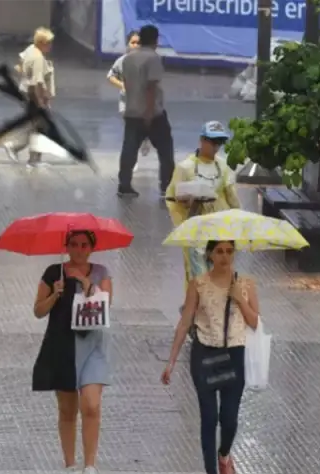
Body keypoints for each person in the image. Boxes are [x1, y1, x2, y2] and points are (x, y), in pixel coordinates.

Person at [161, 241, 259, 474]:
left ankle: (224, 454)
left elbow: (255, 322)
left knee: (229, 419)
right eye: (219, 251)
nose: (225, 257)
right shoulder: (198, 284)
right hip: (204, 353)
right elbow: (185, 323)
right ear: (209, 254)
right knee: (209, 416)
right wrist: (171, 361)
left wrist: (240, 299)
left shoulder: (246, 284)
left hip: (234, 353)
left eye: (229, 251)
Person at [31, 229, 113, 474]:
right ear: (67, 246)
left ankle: (90, 466)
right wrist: (55, 294)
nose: (79, 250)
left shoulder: (101, 273)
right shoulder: (54, 272)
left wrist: (86, 283)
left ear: (92, 248)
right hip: (62, 347)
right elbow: (38, 310)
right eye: (74, 245)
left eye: (84, 245)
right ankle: (70, 465)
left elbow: (105, 305)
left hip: (93, 348)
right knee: (67, 410)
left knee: (91, 405)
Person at [165, 121, 240, 282]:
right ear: (202, 140)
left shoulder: (224, 166)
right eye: (213, 142)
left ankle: (218, 303)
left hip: (221, 227)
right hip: (196, 228)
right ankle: (196, 303)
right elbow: (172, 197)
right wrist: (184, 205)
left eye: (220, 142)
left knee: (220, 269)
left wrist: (238, 221)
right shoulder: (185, 167)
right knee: (197, 272)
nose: (216, 146)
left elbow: (232, 197)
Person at [116, 24, 175, 198]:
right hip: (152, 114)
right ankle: (166, 185)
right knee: (165, 150)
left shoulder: (128, 58)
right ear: (156, 40)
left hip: (131, 110)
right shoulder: (153, 59)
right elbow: (151, 87)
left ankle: (124, 185)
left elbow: (127, 84)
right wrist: (149, 113)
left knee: (129, 150)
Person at [5, 27, 56, 167]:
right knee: (40, 127)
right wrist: (41, 101)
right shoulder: (38, 58)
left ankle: (29, 155)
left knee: (36, 126)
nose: (50, 46)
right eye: (48, 43)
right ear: (41, 43)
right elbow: (38, 82)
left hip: (27, 93)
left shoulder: (30, 49)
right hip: (35, 95)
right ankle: (22, 151)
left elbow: (20, 63)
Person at [107, 30, 152, 168]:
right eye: (133, 42)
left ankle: (145, 139)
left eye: (139, 43)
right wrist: (122, 85)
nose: (136, 45)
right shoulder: (122, 61)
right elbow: (110, 76)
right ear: (127, 44)